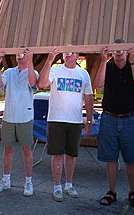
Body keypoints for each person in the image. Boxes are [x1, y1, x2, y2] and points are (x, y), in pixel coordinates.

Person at [38, 49, 94, 202]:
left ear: (77, 55)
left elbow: (88, 98)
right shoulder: (55, 70)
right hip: (56, 119)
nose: (68, 55)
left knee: (71, 154)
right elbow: (42, 84)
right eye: (65, 52)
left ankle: (69, 184)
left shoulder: (83, 74)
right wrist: (49, 60)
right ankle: (57, 187)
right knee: (56, 154)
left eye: (71, 52)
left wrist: (88, 121)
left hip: (75, 120)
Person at [94, 39, 134, 207]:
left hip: (129, 118)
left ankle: (133, 191)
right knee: (111, 158)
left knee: (131, 158)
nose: (118, 52)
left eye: (121, 49)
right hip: (109, 117)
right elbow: (98, 84)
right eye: (115, 49)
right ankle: (111, 191)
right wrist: (102, 60)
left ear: (126, 51)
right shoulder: (107, 66)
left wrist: (133, 62)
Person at [0, 48, 39, 196]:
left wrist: (30, 61)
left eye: (23, 55)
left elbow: (33, 84)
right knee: (7, 149)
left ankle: (28, 182)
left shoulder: (34, 72)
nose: (20, 57)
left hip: (25, 116)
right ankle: (6, 180)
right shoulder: (9, 72)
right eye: (18, 55)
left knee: (26, 150)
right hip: (9, 117)